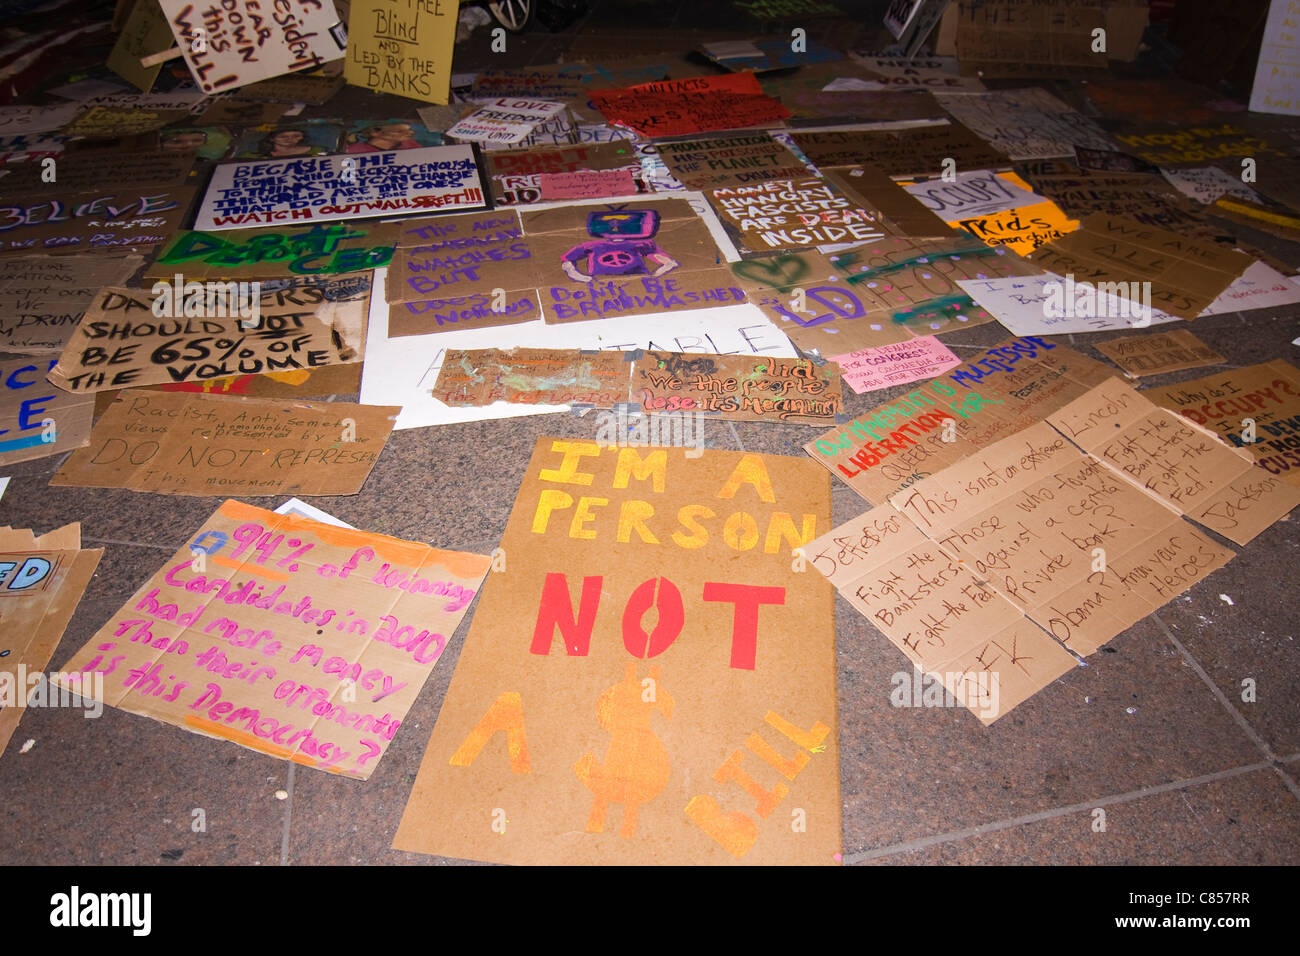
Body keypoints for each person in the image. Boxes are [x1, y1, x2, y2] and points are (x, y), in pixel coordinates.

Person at [239, 129, 325, 159]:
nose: (290, 139)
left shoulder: (318, 151)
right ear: (272, 138)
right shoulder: (249, 156)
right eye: (283, 137)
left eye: (296, 136)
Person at [347, 122, 422, 152]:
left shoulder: (411, 144)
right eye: (398, 131)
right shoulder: (355, 150)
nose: (410, 133)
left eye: (409, 130)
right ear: (375, 133)